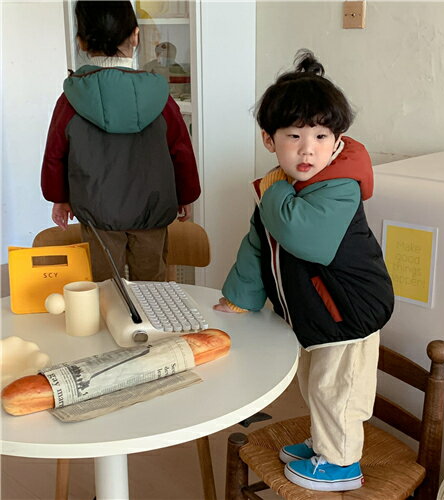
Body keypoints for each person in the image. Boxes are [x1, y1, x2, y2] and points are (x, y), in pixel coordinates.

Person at [214, 49, 394, 492]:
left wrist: (272, 191)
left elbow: (304, 237)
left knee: (339, 390)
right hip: (318, 312)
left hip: (349, 311)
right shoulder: (282, 186)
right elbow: (258, 243)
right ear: (269, 140)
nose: (307, 148)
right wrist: (240, 297)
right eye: (294, 135)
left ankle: (341, 462)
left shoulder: (339, 185)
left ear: (337, 140)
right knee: (316, 384)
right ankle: (322, 442)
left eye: (320, 135)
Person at [41, 0, 200, 282]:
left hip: (97, 212)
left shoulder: (71, 99)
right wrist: (186, 195)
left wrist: (59, 197)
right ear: (136, 36)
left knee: (104, 288)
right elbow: (180, 150)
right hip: (152, 210)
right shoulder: (160, 96)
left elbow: (56, 154)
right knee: (152, 288)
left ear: (81, 41)